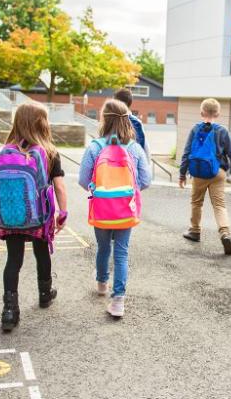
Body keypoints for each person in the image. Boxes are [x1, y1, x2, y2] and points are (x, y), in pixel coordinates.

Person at [0, 103, 68, 331]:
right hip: (39, 215)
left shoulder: (6, 150)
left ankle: (9, 311)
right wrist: (62, 213)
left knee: (13, 260)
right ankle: (45, 294)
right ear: (42, 124)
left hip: (11, 214)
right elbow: (59, 187)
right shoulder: (49, 151)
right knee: (41, 252)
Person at [79, 99, 151, 318]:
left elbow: (83, 180)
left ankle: (102, 283)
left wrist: (98, 189)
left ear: (104, 119)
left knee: (103, 248)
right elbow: (145, 180)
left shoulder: (95, 147)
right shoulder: (134, 148)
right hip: (125, 210)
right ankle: (118, 300)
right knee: (121, 253)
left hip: (101, 209)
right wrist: (129, 190)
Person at [178, 98, 231, 254]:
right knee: (219, 205)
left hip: (199, 172)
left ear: (201, 112)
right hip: (218, 172)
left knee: (196, 202)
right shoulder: (222, 131)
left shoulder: (195, 129)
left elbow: (186, 153)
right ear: (217, 114)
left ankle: (195, 231)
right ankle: (224, 232)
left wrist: (182, 175)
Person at [114, 88, 150, 159]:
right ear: (130, 102)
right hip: (133, 163)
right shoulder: (137, 123)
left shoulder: (109, 121)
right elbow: (145, 150)